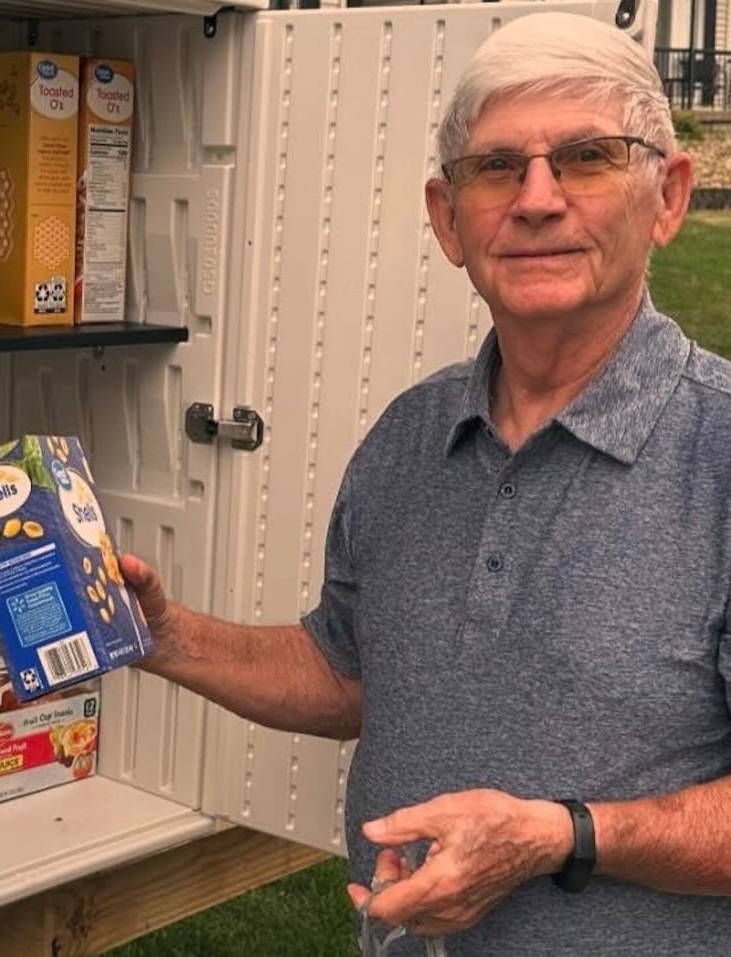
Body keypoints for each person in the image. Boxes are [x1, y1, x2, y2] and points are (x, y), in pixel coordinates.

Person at [119, 10, 731, 955]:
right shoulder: (413, 434)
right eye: (497, 168)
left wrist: (560, 837)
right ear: (449, 220)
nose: (536, 199)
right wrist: (165, 636)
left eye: (587, 157)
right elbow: (351, 670)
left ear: (668, 195)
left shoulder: (718, 453)